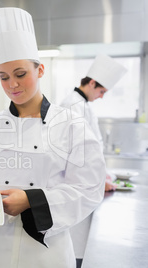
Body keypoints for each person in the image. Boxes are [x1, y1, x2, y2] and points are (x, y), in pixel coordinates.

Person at [0, 7, 106, 268]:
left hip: (47, 252)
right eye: (4, 77)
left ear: (40, 70)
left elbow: (89, 188)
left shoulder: (71, 125)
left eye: (20, 74)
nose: (12, 84)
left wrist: (32, 200)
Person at [60, 54, 127, 267]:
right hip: (76, 184)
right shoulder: (73, 106)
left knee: (81, 241)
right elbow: (79, 155)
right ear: (91, 83)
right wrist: (99, 179)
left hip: (86, 184)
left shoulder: (82, 104)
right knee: (75, 242)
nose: (102, 97)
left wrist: (102, 176)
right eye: (101, 91)